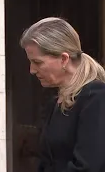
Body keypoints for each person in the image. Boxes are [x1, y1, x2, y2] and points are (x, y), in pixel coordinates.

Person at [19, 17, 105, 172]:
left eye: (37, 62)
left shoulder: (96, 97)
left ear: (64, 59)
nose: (32, 70)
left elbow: (89, 166)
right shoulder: (55, 103)